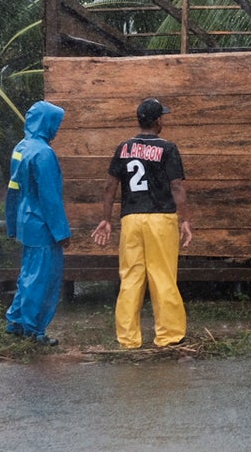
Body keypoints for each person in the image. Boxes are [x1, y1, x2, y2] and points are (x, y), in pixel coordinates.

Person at [91, 97, 193, 349]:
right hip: (160, 218)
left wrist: (106, 218)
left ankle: (128, 339)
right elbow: (177, 185)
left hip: (131, 218)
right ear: (158, 120)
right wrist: (186, 219)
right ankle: (168, 336)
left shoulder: (123, 148)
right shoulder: (167, 148)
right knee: (162, 275)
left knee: (131, 277)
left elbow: (109, 186)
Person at [4, 100, 71, 346]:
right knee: (43, 278)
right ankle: (34, 330)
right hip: (43, 226)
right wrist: (61, 231)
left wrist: (12, 223)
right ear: (46, 122)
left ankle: (16, 322)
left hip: (25, 221)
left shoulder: (21, 147)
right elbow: (50, 197)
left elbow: (13, 189)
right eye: (56, 123)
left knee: (28, 274)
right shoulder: (44, 153)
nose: (57, 129)